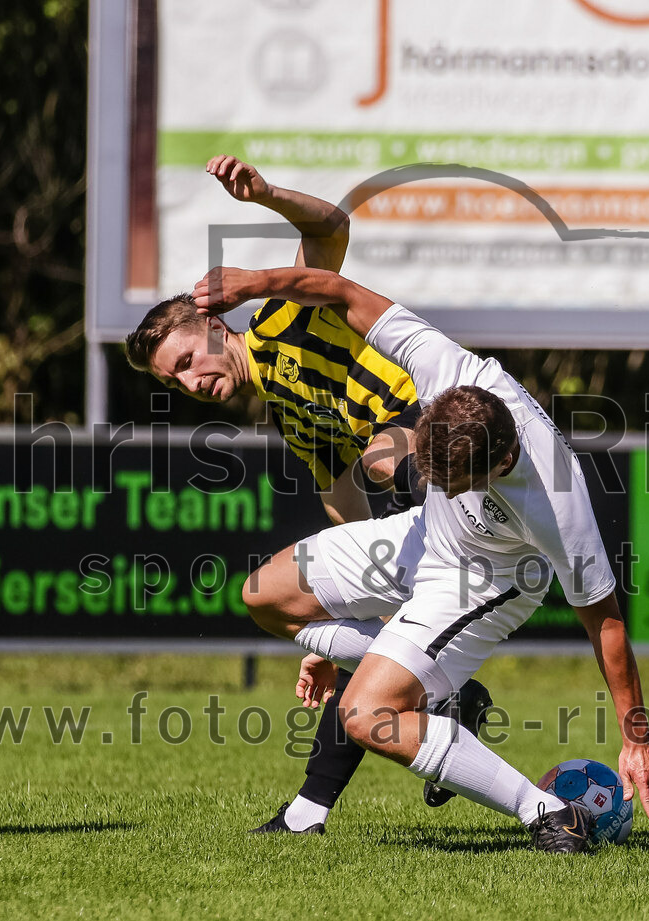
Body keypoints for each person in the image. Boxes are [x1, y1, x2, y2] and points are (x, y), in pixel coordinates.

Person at [192, 263, 649, 853]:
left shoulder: (555, 498)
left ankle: (550, 814)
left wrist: (637, 739)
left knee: (366, 714)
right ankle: (441, 695)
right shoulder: (450, 367)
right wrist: (256, 284)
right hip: (423, 536)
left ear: (501, 465)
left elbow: (605, 624)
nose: (442, 483)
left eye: (456, 479)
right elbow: (341, 291)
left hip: (487, 579)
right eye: (434, 473)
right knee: (266, 596)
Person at [125, 156, 489, 835]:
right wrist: (335, 626)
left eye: (184, 361)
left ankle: (446, 691)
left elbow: (330, 230)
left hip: (464, 437)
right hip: (439, 511)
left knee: (385, 454)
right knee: (363, 654)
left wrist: (264, 196)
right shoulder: (287, 412)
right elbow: (340, 502)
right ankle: (306, 812)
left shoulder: (280, 320)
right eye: (174, 382)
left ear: (213, 326)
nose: (189, 381)